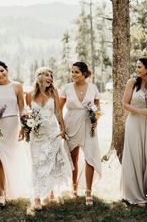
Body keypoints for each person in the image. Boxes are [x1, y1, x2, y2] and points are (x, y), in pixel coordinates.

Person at [0, 60, 30, 207]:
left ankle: (14, 188)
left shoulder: (16, 86)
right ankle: (2, 195)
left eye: (2, 71)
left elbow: (22, 107)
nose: (0, 74)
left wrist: (25, 122)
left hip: (12, 126)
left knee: (11, 158)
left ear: (7, 70)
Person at [25, 66, 72, 211]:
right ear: (39, 77)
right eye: (47, 75)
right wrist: (26, 126)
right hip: (37, 135)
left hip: (52, 133)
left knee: (51, 162)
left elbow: (58, 111)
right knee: (37, 164)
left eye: (51, 75)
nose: (50, 78)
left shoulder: (53, 92)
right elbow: (27, 115)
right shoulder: (29, 95)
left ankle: (49, 190)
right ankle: (37, 197)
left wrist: (62, 128)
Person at [121, 57, 147, 207]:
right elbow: (125, 104)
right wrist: (140, 111)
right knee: (136, 159)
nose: (137, 69)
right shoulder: (132, 82)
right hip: (134, 123)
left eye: (139, 67)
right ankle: (136, 195)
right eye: (137, 66)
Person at [59, 61, 101, 206]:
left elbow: (97, 108)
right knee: (73, 157)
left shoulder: (93, 88)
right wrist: (62, 127)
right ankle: (74, 188)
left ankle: (88, 191)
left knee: (90, 157)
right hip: (71, 124)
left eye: (76, 72)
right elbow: (58, 110)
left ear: (84, 73)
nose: (73, 74)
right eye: (72, 72)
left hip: (89, 126)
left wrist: (96, 119)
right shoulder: (66, 88)